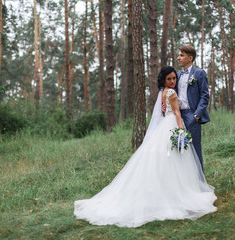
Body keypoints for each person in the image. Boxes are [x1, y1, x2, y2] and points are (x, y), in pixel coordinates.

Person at [74, 66, 217, 228]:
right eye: (169, 79)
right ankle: (174, 194)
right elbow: (177, 114)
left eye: (174, 78)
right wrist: (182, 132)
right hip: (172, 126)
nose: (172, 81)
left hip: (164, 126)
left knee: (167, 161)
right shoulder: (171, 93)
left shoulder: (162, 92)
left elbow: (165, 111)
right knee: (175, 160)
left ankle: (165, 192)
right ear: (163, 80)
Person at [176, 45, 210, 172]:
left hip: (192, 115)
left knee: (194, 149)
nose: (178, 58)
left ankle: (199, 181)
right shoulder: (177, 75)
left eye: (181, 55)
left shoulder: (199, 73)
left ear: (190, 58)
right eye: (179, 55)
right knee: (179, 147)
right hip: (178, 116)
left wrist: (196, 115)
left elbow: (205, 96)